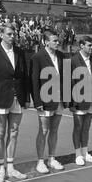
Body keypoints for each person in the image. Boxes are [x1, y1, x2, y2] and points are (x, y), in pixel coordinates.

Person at [0, 25, 30, 182]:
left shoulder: (20, 52)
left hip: (18, 99)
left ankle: (10, 167)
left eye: (13, 33)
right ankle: (1, 169)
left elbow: (24, 77)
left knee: (14, 132)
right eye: (9, 34)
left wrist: (27, 98)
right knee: (0, 133)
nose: (12, 36)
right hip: (0, 99)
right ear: (1, 35)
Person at [29, 30, 66, 173]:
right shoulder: (37, 57)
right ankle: (40, 161)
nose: (57, 43)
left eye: (58, 40)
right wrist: (37, 101)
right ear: (46, 42)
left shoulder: (62, 56)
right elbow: (34, 81)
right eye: (54, 41)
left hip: (59, 100)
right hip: (45, 100)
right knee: (44, 130)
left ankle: (51, 158)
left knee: (54, 130)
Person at [70, 36, 92, 166]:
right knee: (78, 127)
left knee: (86, 128)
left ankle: (85, 152)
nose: (91, 47)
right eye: (89, 45)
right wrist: (71, 102)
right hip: (78, 100)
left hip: (91, 100)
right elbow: (70, 82)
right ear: (81, 46)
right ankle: (78, 155)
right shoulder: (74, 60)